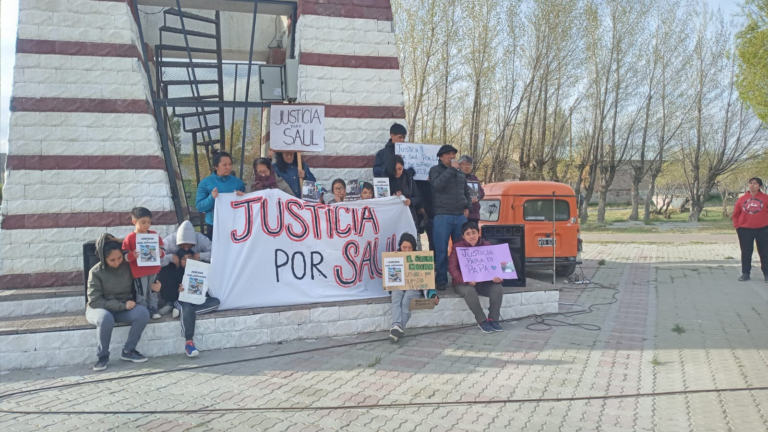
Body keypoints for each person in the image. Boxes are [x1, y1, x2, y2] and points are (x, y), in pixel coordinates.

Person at [86, 233, 150, 371]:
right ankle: (102, 357)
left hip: (122, 308)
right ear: (103, 258)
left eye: (120, 258)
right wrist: (122, 305)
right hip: (99, 308)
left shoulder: (127, 266)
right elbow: (95, 301)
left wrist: (156, 285)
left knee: (143, 313)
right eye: (112, 260)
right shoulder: (95, 272)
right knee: (105, 318)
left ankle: (129, 351)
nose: (117, 262)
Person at [157, 248, 221, 357]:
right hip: (182, 301)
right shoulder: (174, 272)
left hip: (197, 301)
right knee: (186, 307)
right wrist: (178, 291)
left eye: (189, 258)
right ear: (179, 260)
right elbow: (168, 293)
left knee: (216, 302)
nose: (187, 261)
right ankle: (189, 342)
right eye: (183, 259)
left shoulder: (199, 270)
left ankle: (184, 313)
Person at [429, 145, 472, 290]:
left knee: (462, 250)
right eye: (448, 154)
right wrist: (452, 169)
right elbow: (437, 185)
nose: (452, 156)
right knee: (441, 250)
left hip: (460, 216)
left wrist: (468, 208)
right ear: (441, 157)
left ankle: (461, 278)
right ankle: (441, 280)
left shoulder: (460, 173)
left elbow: (466, 192)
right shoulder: (435, 170)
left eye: (453, 153)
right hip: (443, 216)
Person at [448, 221, 504, 333]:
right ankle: (482, 320)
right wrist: (465, 280)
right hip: (463, 283)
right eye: (468, 234)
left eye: (473, 232)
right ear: (463, 236)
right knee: (469, 291)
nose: (471, 236)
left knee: (498, 288)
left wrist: (501, 276)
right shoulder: (457, 247)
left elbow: (500, 262)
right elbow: (452, 269)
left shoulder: (487, 245)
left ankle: (493, 319)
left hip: (483, 282)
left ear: (479, 233)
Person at [389, 233, 439, 342]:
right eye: (404, 247)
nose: (407, 250)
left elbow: (427, 279)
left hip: (415, 287)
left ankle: (397, 328)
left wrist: (433, 295)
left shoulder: (419, 258)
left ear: (414, 248)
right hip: (399, 285)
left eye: (409, 248)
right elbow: (392, 279)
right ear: (400, 246)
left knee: (407, 300)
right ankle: (397, 326)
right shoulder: (395, 257)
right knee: (396, 296)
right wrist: (393, 261)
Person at [160, 220, 213, 314]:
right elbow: (154, 260)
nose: (186, 248)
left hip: (196, 269)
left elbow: (217, 255)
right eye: (183, 246)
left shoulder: (201, 239)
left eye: (190, 246)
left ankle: (199, 298)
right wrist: (169, 258)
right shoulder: (169, 241)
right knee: (165, 270)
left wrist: (201, 256)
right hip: (175, 270)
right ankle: (170, 301)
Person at [122, 207, 165, 320]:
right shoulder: (130, 238)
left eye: (149, 222)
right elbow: (124, 256)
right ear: (134, 222)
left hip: (154, 270)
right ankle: (142, 310)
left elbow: (163, 250)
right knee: (141, 291)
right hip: (139, 272)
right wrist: (132, 255)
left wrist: (160, 252)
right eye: (143, 222)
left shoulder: (154, 235)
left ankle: (153, 309)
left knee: (153, 289)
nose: (147, 225)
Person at [196, 151, 246, 240]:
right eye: (224, 165)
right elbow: (200, 207)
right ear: (216, 166)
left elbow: (246, 205)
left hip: (235, 224)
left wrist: (243, 196)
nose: (228, 167)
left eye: (230, 164)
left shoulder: (238, 183)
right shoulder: (205, 183)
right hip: (214, 225)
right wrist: (211, 197)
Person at [733, 177, 768, 282]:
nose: (752, 185)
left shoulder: (765, 198)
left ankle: (766, 274)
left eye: (755, 183)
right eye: (750, 183)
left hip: (763, 229)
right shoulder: (742, 199)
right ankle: (745, 273)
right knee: (746, 252)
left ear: (760, 186)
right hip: (744, 230)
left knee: (765, 252)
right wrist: (737, 226)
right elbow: (736, 214)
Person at [391, 155, 423, 229]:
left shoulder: (408, 177)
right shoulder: (385, 177)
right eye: (395, 170)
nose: (398, 172)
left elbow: (417, 197)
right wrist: (392, 196)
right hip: (392, 217)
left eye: (400, 169)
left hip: (409, 216)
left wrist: (410, 201)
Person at [458, 155, 485, 223]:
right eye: (464, 164)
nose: (467, 166)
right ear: (459, 165)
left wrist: (477, 198)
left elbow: (481, 192)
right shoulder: (455, 177)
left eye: (469, 164)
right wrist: (469, 201)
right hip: (461, 214)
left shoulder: (474, 178)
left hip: (474, 215)